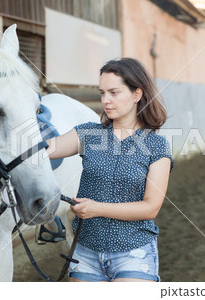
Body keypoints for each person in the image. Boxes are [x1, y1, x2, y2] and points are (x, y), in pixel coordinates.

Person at [46, 57, 174, 282]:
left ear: (137, 94)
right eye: (102, 93)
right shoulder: (87, 134)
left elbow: (151, 207)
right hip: (84, 251)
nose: (105, 100)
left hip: (133, 252)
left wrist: (98, 208)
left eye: (114, 93)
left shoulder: (156, 146)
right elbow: (42, 150)